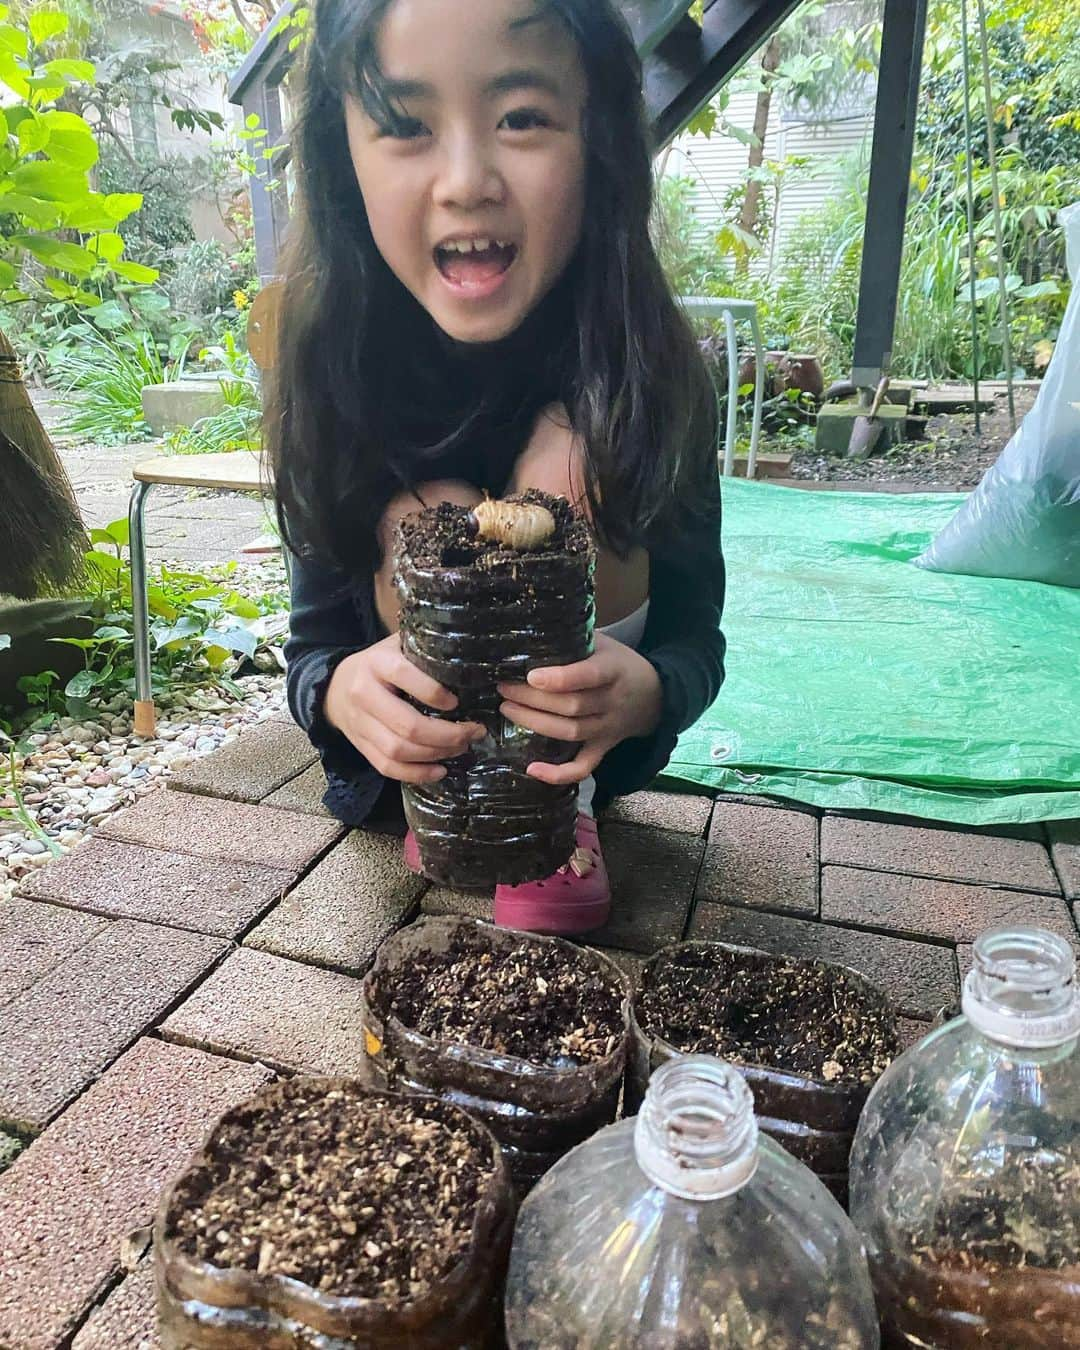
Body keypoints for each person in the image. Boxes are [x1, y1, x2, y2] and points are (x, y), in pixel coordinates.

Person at [271, 0, 726, 935]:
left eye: (520, 117)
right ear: (340, 155)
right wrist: (344, 692)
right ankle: (458, 802)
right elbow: (312, 650)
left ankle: (553, 819)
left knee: (571, 461)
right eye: (404, 125)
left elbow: (696, 641)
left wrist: (647, 693)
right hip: (415, 763)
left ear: (597, 134)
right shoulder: (332, 363)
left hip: (576, 754)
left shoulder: (649, 364)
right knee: (430, 510)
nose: (466, 181)